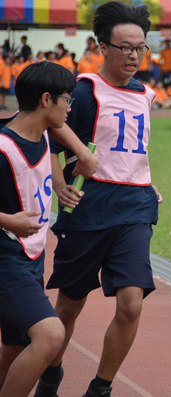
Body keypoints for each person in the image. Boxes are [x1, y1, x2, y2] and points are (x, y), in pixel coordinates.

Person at [34, 3, 162, 397]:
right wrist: (58, 182)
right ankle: (51, 374)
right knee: (69, 306)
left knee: (131, 303)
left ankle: (100, 388)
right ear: (102, 46)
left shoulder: (147, 94)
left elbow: (132, 149)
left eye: (140, 47)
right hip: (88, 208)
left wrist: (145, 181)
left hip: (136, 208)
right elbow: (48, 133)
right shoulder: (85, 91)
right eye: (124, 47)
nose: (133, 56)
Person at [0, 61, 97, 397]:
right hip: (6, 259)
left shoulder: (42, 133)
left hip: (32, 259)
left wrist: (81, 154)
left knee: (13, 347)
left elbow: (56, 129)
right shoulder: (3, 148)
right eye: (67, 100)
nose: (70, 108)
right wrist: (8, 220)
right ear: (46, 99)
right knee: (51, 334)